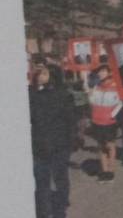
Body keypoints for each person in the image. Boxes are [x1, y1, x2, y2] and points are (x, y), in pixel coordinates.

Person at [29, 65, 75, 218]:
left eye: (43, 73)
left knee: (60, 178)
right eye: (38, 73)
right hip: (39, 146)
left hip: (59, 146)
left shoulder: (63, 95)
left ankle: (60, 209)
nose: (39, 75)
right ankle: (44, 212)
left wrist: (70, 142)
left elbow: (70, 121)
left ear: (52, 75)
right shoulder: (31, 94)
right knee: (42, 182)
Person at [89, 64, 122, 183]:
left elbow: (120, 103)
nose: (100, 74)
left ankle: (111, 171)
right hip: (97, 120)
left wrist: (112, 115)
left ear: (109, 72)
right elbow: (92, 102)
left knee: (110, 145)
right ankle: (104, 170)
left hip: (109, 122)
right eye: (99, 72)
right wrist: (90, 93)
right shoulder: (96, 86)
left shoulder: (116, 86)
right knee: (101, 146)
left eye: (103, 71)